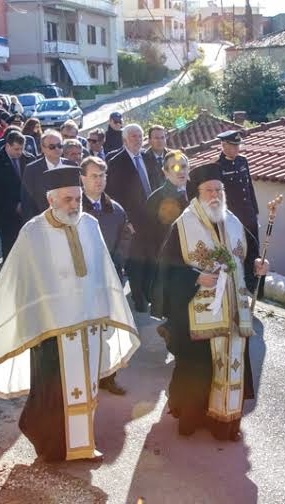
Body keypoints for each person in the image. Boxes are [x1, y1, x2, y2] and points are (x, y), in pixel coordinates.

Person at [0, 167, 140, 462]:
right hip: (51, 329)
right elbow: (20, 283)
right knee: (52, 393)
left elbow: (103, 271)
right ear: (51, 200)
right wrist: (33, 321)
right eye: (67, 200)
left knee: (85, 387)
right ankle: (50, 445)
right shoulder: (33, 232)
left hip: (87, 323)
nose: (74, 206)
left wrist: (104, 310)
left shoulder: (89, 224)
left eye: (77, 199)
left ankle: (82, 443)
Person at [153, 163, 268, 440]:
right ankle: (192, 418)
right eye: (209, 190)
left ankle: (223, 422)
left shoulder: (233, 221)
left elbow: (249, 254)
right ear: (198, 193)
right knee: (199, 368)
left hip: (232, 313)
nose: (215, 195)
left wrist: (258, 266)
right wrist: (195, 278)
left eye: (219, 189)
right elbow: (165, 269)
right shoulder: (184, 224)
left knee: (230, 365)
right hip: (197, 312)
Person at [80, 156, 132, 395]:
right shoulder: (74, 208)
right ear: (82, 179)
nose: (99, 181)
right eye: (94, 176)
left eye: (102, 176)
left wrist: (115, 263)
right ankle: (83, 375)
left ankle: (108, 377)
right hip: (81, 281)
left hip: (110, 278)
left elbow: (125, 238)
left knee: (109, 330)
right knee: (83, 330)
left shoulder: (116, 209)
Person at [105, 123, 164, 312]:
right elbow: (112, 195)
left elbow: (157, 185)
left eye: (139, 136)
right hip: (132, 223)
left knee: (152, 259)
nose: (138, 140)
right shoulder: (115, 162)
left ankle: (148, 293)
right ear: (124, 140)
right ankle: (138, 299)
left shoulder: (149, 158)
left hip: (153, 220)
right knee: (136, 262)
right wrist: (125, 222)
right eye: (133, 137)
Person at [146, 151, 190, 316]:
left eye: (184, 166)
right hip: (170, 270)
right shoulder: (155, 199)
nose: (181, 171)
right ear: (165, 172)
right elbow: (149, 241)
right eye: (175, 167)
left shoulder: (196, 194)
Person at [0, 131, 35, 259]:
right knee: (10, 251)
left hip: (28, 214)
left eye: (21, 149)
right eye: (16, 149)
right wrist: (14, 205)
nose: (19, 152)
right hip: (7, 216)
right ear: (7, 146)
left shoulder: (29, 159)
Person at [20, 129, 66, 222]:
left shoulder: (72, 166)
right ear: (43, 148)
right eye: (52, 146)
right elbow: (27, 203)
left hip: (68, 221)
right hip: (42, 223)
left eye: (59, 145)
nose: (57, 149)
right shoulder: (32, 170)